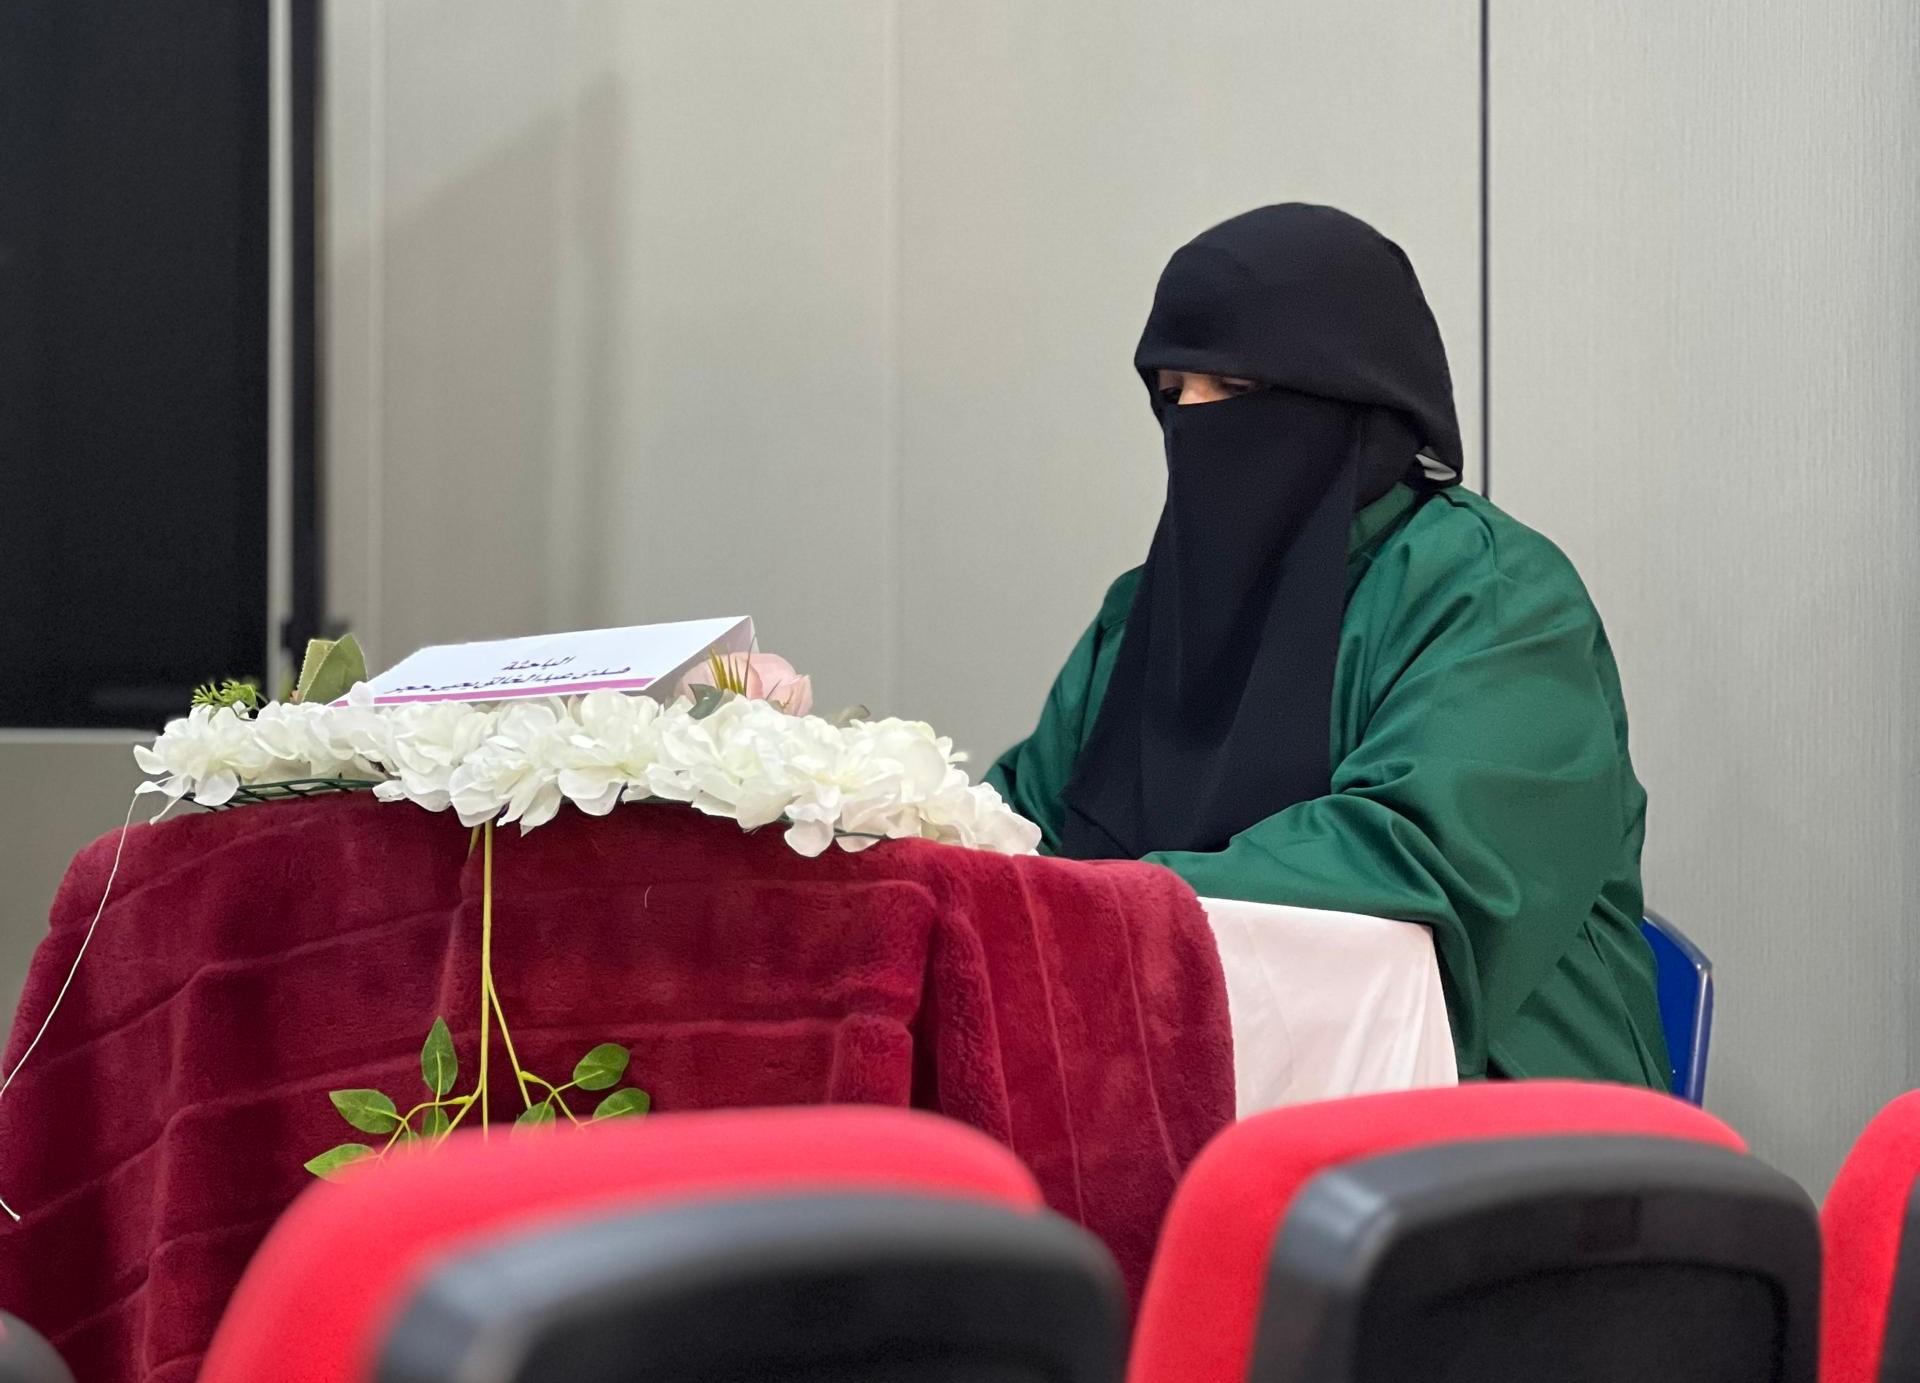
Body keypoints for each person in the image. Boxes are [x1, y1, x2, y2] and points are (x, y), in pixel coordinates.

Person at [986, 204, 1668, 1087]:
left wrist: (1101, 904)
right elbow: (1020, 826)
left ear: (1358, 398)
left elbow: (1412, 860)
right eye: (1171, 392)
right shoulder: (1147, 613)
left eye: (1233, 388)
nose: (1193, 421)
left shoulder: (1493, 594)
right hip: (1169, 1084)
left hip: (1496, 1120)